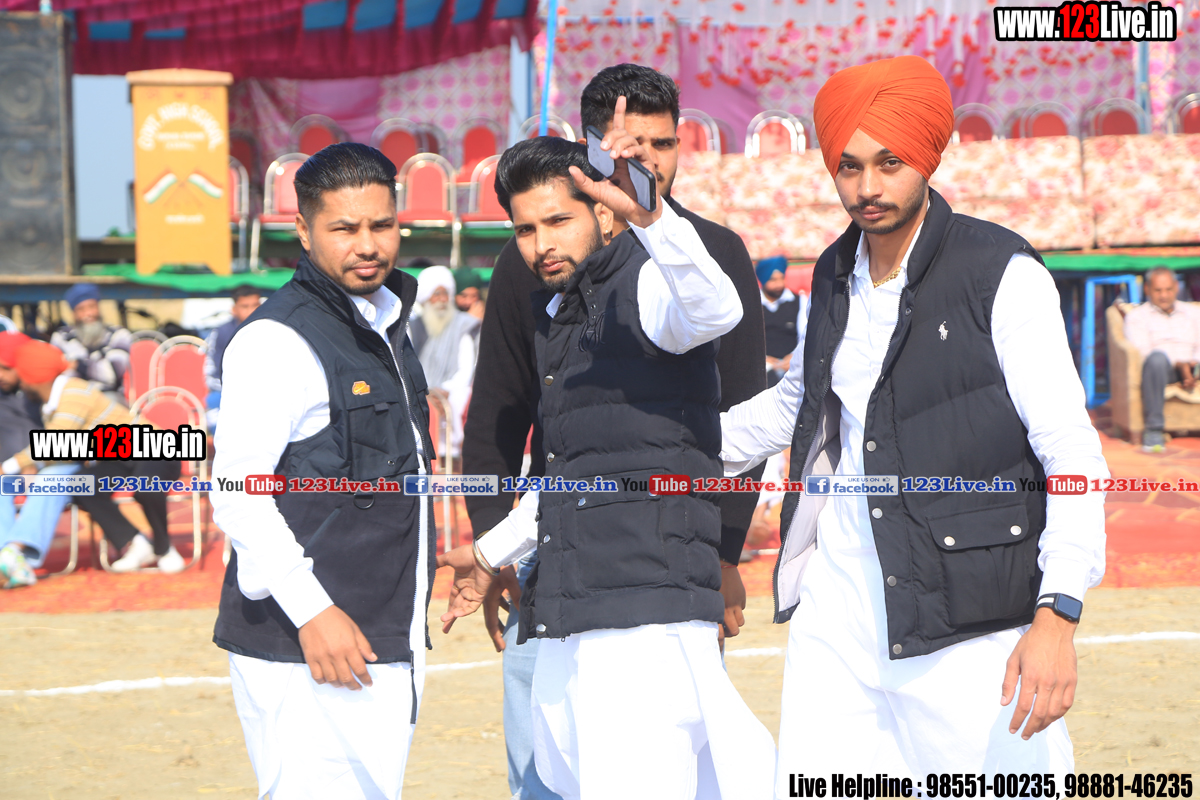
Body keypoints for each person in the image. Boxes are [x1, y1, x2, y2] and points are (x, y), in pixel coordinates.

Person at [718, 56, 1108, 788]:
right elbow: (796, 402)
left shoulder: (1000, 273)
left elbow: (1069, 450)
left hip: (969, 611)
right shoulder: (833, 273)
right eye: (849, 166)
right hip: (838, 610)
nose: (867, 187)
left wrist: (1058, 613)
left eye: (888, 163)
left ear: (926, 157)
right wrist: (670, 451)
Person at [461, 63, 767, 800]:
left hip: (661, 568)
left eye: (662, 144)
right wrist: (494, 545)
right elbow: (500, 410)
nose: (647, 162)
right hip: (552, 556)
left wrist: (722, 551)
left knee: (663, 764)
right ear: (590, 154)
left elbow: (736, 413)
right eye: (628, 148)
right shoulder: (531, 257)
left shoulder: (710, 255)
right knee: (549, 768)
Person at [210, 143, 435, 800]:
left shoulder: (385, 322)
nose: (367, 245)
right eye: (344, 228)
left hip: (380, 633)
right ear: (304, 231)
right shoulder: (276, 339)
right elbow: (238, 493)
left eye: (381, 225)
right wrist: (313, 613)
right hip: (308, 645)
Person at [0, 339, 185, 574]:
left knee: (146, 488)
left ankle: (164, 548)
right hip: (117, 457)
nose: (21, 382)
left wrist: (9, 467)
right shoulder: (52, 400)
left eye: (22, 376)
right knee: (81, 486)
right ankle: (136, 543)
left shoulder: (74, 392)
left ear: (33, 378)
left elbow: (53, 442)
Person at [0, 332, 82, 589]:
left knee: (51, 479)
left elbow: (62, 441)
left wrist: (31, 464)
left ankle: (14, 554)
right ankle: (8, 560)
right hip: (10, 468)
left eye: (6, 368)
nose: (0, 375)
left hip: (59, 465)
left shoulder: (50, 391)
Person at [1123, 266, 1200, 452]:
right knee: (1156, 359)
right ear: (1147, 289)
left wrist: (1192, 364)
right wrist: (1180, 365)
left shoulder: (1193, 313)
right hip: (1163, 370)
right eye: (1158, 290)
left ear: (1176, 287)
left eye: (1168, 289)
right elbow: (1143, 353)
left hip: (1194, 366)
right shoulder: (1137, 317)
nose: (1164, 295)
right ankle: (1154, 429)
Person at [409, 265, 480, 459]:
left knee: (459, 400)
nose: (442, 299)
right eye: (436, 294)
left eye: (446, 293)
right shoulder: (411, 327)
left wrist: (444, 390)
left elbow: (466, 369)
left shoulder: (464, 324)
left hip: (453, 391)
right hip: (422, 393)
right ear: (425, 298)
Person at [51, 283, 132, 399]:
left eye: (92, 306)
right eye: (81, 309)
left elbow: (112, 375)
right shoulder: (61, 338)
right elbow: (59, 376)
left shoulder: (119, 335)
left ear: (98, 307)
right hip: (74, 398)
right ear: (73, 314)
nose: (88, 314)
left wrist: (78, 365)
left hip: (110, 398)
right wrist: (96, 367)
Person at [204, 284, 263, 432]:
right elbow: (213, 371)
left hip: (261, 394)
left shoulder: (271, 331)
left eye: (255, 305)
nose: (251, 310)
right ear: (234, 309)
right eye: (245, 306)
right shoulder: (221, 333)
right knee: (215, 414)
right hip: (226, 393)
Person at [756, 256, 807, 386]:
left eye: (781, 278)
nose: (779, 284)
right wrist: (762, 359)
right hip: (761, 364)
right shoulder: (752, 304)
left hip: (793, 362)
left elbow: (805, 334)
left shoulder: (799, 301)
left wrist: (794, 357)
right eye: (773, 280)